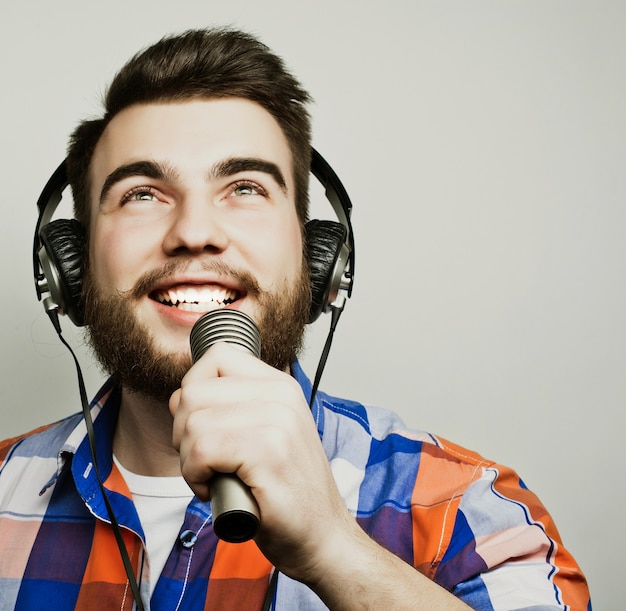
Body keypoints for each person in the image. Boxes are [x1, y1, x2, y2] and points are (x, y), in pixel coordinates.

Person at [0, 27, 590, 610]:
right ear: (68, 269)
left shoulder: (463, 509)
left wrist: (335, 550)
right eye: (143, 194)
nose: (195, 234)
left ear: (317, 260)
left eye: (245, 188)